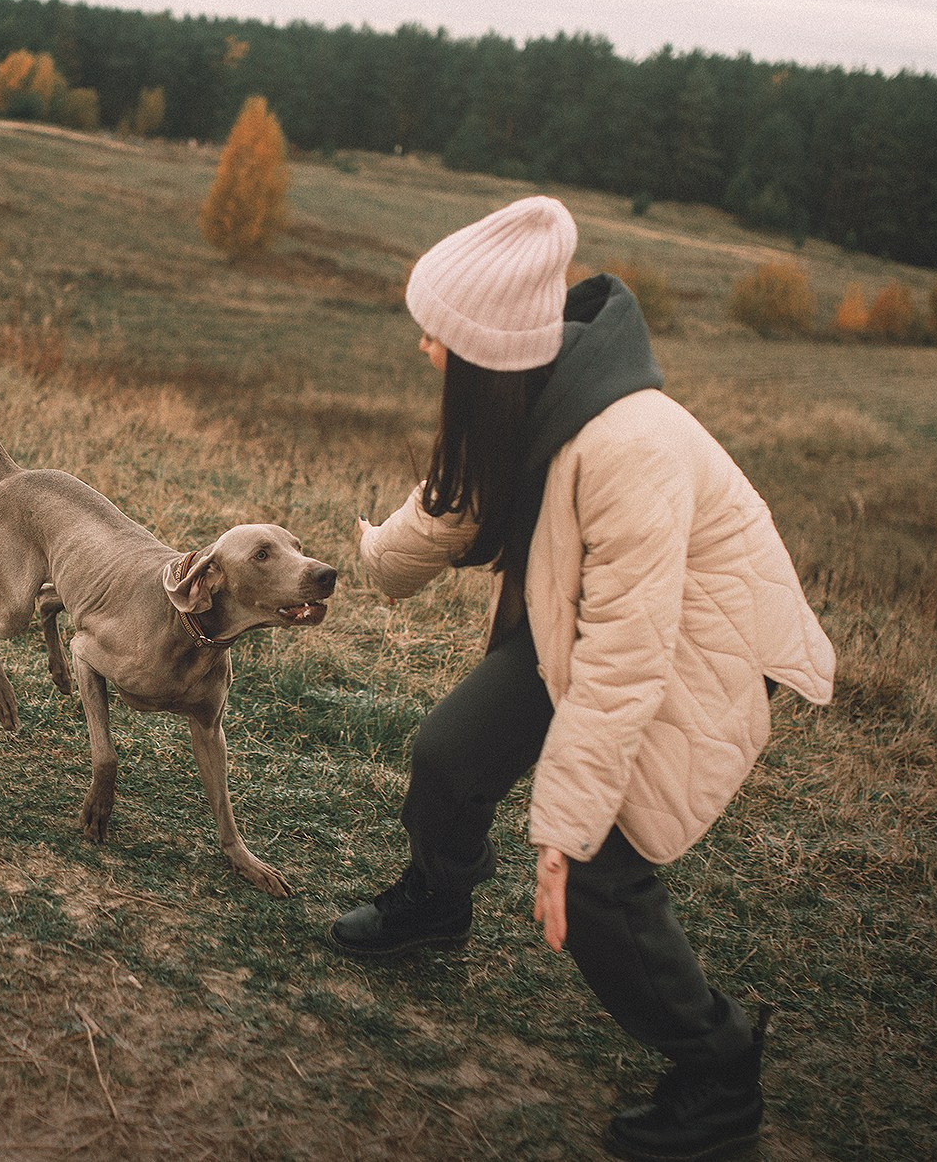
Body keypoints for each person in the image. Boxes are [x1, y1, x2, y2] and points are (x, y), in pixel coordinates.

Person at [328, 196, 835, 1161]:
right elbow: (453, 506)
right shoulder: (522, 398)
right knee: (448, 758)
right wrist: (374, 556)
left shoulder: (629, 445)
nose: (425, 347)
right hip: (586, 618)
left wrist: (562, 834)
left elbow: (623, 666)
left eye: (439, 335)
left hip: (700, 642)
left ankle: (720, 1071)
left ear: (489, 356)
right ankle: (438, 899)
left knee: (600, 869)